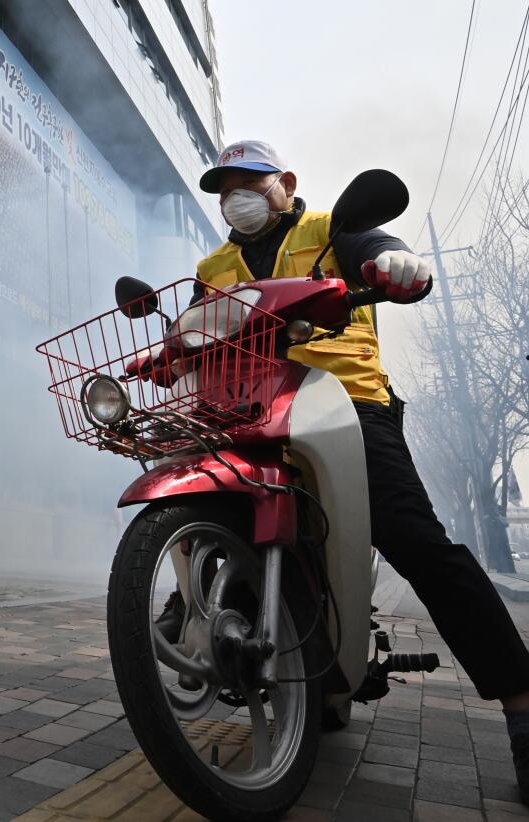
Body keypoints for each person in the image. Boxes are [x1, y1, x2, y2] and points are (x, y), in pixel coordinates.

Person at [185, 140, 529, 800]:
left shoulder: (329, 231)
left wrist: (398, 264)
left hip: (344, 402)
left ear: (284, 182)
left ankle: (521, 699)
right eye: (225, 188)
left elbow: (378, 249)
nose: (237, 198)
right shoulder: (214, 265)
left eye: (249, 182)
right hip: (250, 413)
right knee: (210, 519)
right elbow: (195, 329)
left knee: (416, 542)